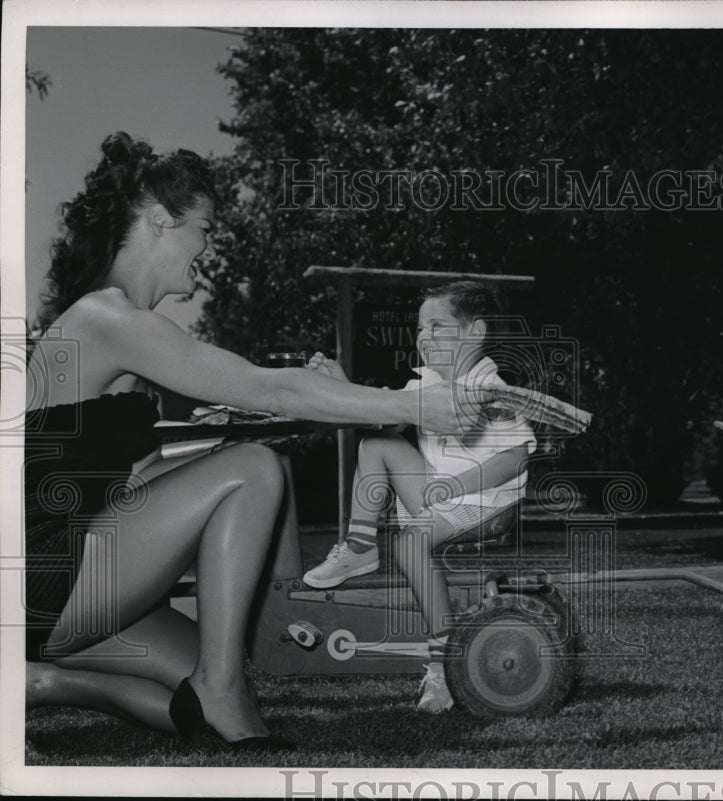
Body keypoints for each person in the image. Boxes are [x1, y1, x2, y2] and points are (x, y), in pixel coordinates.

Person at [22, 132, 468, 747]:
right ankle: (217, 686)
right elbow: (270, 390)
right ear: (158, 221)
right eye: (203, 227)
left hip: (64, 592)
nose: (207, 245)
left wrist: (221, 453)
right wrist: (408, 403)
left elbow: (139, 483)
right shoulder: (107, 318)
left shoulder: (119, 340)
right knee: (253, 468)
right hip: (49, 574)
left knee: (211, 697)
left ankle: (47, 683)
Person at [303, 281, 536, 713]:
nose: (424, 336)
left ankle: (442, 660)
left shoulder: (491, 386)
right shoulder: (425, 384)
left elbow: (515, 459)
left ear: (475, 333)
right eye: (420, 327)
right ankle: (359, 547)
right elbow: (373, 409)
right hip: (440, 493)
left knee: (410, 541)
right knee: (376, 444)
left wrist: (456, 485)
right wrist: (341, 385)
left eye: (437, 326)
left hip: (486, 501)